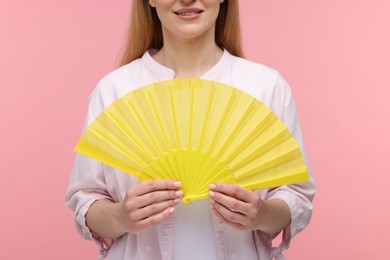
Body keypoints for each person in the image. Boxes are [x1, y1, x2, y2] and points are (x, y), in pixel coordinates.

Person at [65, 0, 316, 259]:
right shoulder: (114, 90)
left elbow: (296, 195)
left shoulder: (266, 86)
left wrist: (262, 214)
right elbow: (86, 198)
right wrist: (120, 217)